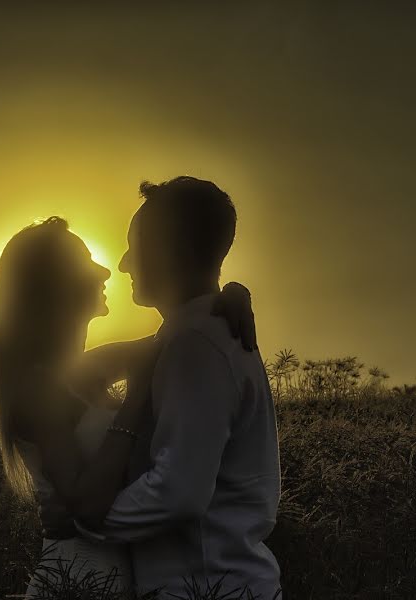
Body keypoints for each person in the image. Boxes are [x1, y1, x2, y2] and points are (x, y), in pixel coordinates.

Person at [0, 214, 257, 598]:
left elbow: (175, 336)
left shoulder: (84, 368)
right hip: (77, 579)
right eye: (85, 261)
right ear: (53, 285)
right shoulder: (37, 388)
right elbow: (87, 503)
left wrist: (231, 294)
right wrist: (135, 399)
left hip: (111, 575)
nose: (104, 271)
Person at [75, 177, 283, 600]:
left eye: (135, 245)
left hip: (206, 587)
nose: (124, 264)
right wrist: (235, 291)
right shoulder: (192, 335)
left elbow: (180, 492)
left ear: (171, 250)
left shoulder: (196, 344)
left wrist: (89, 521)